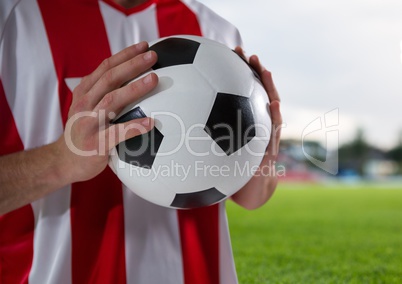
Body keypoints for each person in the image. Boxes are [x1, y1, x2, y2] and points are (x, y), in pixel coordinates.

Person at [0, 0, 282, 283]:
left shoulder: (217, 31)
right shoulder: (14, 18)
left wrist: (263, 150)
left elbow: (252, 197)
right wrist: (62, 160)